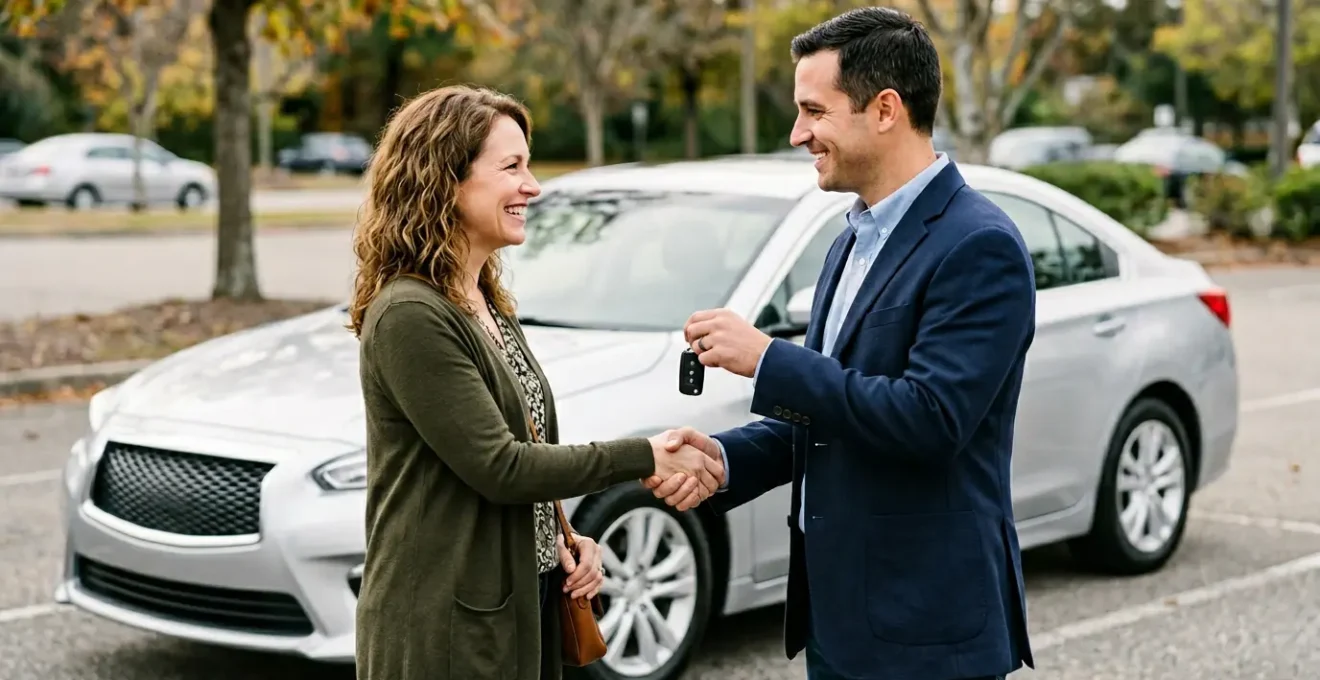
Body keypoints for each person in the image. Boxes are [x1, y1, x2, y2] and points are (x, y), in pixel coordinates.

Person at [648, 8, 1036, 680]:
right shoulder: (847, 239)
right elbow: (832, 414)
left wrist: (769, 358)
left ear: (885, 109)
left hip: (926, 633)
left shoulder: (980, 245)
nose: (798, 134)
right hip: (838, 622)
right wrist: (724, 459)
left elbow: (930, 419)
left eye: (813, 111)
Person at [347, 84, 722, 680]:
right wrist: (644, 455)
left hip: (520, 601)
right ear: (445, 179)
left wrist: (564, 539)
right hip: (441, 628)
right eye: (511, 167)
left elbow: (524, 448)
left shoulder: (485, 301)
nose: (533, 186)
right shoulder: (409, 315)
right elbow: (500, 466)